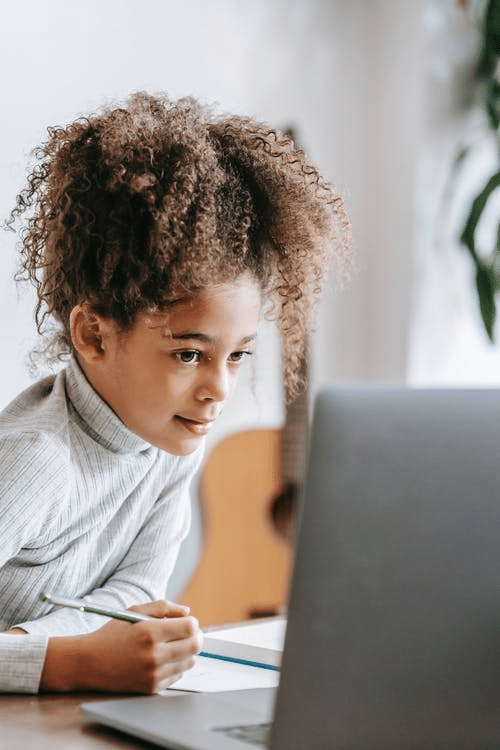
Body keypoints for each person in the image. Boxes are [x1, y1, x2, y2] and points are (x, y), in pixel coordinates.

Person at [0, 91, 351, 694]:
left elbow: (137, 591)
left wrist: (71, 638)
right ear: (94, 334)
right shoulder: (35, 461)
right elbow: (92, 638)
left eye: (237, 355)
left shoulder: (166, 443)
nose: (219, 389)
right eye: (189, 354)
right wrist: (71, 660)